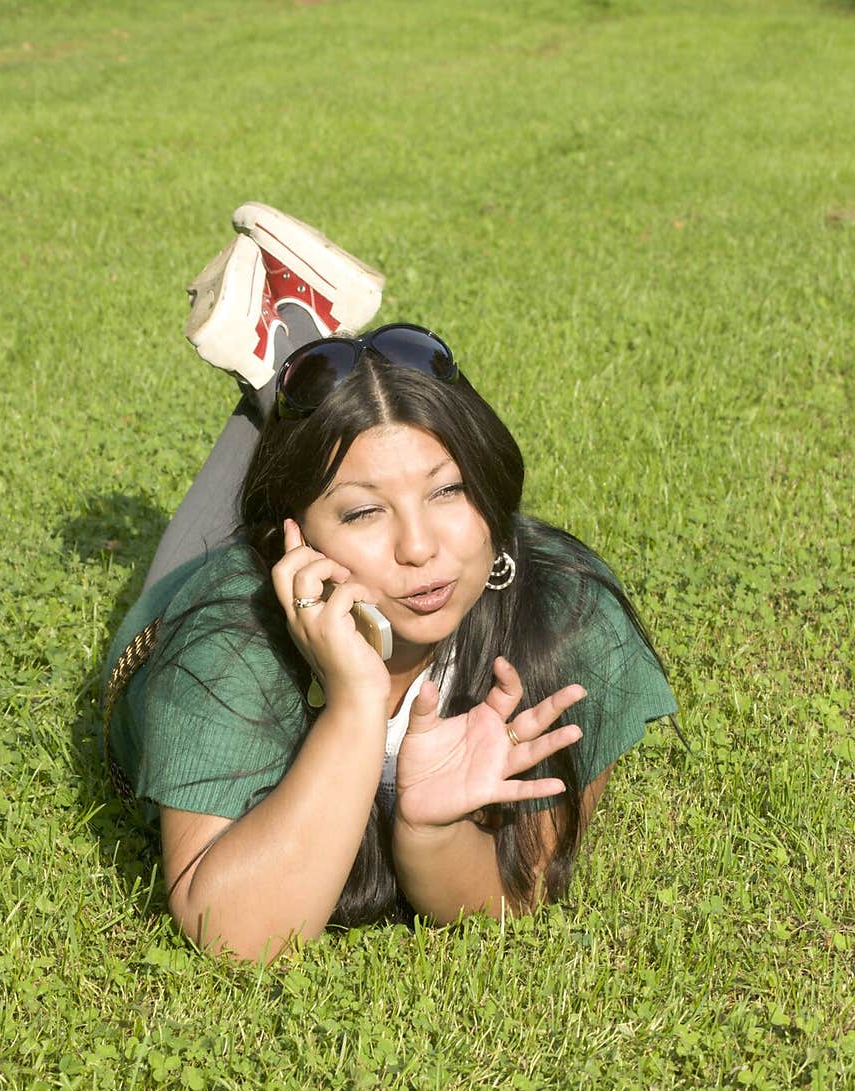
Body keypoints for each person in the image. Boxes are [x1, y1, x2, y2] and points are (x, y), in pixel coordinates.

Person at [102, 201, 679, 965]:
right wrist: (356, 705)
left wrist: (431, 830)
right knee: (243, 505)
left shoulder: (566, 613)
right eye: (366, 513)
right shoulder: (226, 631)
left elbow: (519, 887)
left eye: (448, 492)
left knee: (335, 433)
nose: (421, 548)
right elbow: (233, 933)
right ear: (297, 539)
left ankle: (295, 349)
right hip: (183, 612)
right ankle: (283, 370)